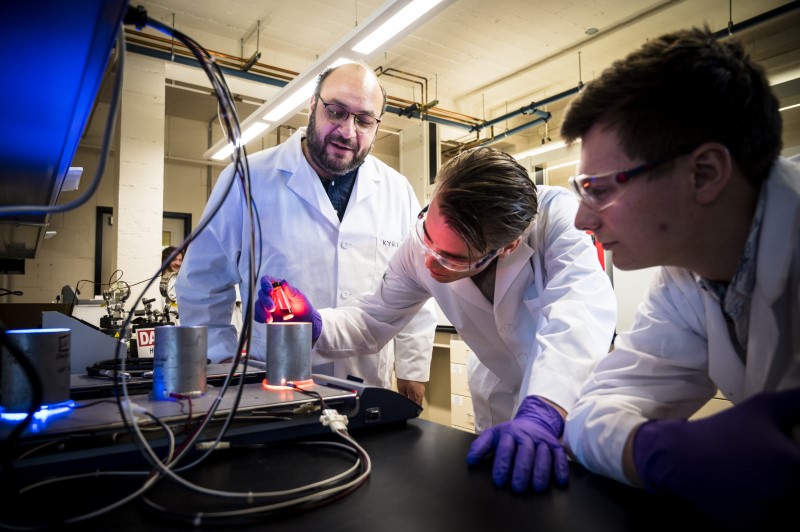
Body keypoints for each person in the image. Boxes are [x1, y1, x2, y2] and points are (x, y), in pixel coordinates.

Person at [257, 146, 617, 493]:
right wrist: (314, 322)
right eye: (426, 235)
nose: (429, 262)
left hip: (566, 400)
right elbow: (372, 319)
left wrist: (544, 411)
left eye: (452, 258)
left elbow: (580, 310)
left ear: (507, 246)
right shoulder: (423, 248)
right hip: (496, 402)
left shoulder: (556, 219)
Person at [559, 26, 800, 528]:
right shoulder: (684, 278)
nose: (583, 219)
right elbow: (592, 412)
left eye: (600, 189)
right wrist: (651, 449)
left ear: (705, 173)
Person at [176, 60, 437, 393]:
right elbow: (202, 285)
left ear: (377, 126)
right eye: (337, 112)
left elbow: (416, 290)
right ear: (313, 106)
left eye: (364, 120)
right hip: (270, 387)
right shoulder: (246, 179)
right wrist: (222, 362)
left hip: (369, 385)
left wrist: (413, 373)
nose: (348, 131)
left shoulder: (397, 190)